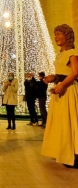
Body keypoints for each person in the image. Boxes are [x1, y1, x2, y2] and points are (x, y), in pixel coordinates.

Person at [41, 24, 78, 167]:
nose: (56, 37)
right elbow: (63, 72)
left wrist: (62, 84)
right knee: (61, 122)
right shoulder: (60, 54)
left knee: (70, 121)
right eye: (55, 34)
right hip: (60, 90)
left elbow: (75, 73)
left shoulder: (72, 53)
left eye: (59, 34)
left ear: (67, 36)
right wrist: (54, 78)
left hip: (68, 90)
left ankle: (74, 153)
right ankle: (62, 151)